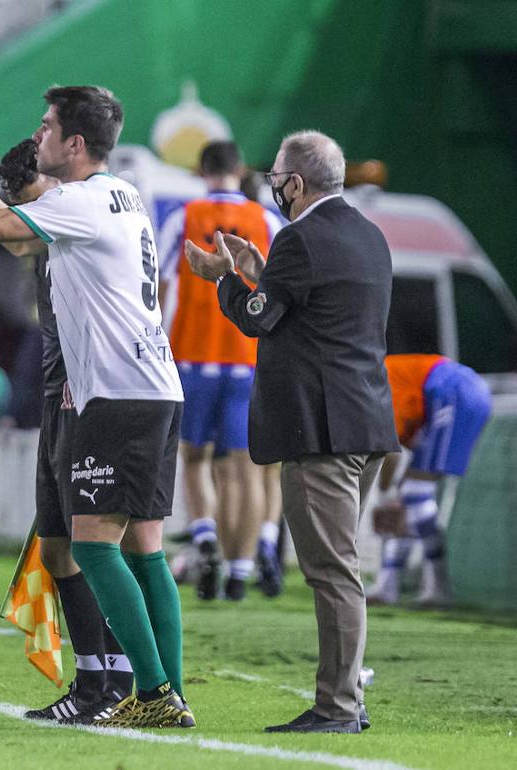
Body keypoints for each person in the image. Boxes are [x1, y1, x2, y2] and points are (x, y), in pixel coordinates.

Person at [0, 88, 192, 729]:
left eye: (47, 127)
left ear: (74, 143)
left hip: (117, 391)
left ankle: (151, 693)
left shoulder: (81, 200)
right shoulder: (118, 195)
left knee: (95, 547)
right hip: (155, 387)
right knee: (145, 550)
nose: (37, 137)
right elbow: (18, 242)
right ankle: (169, 693)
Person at [185, 130, 400, 733]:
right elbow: (309, 312)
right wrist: (259, 269)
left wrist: (224, 278)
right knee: (341, 566)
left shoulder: (300, 238)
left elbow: (258, 319)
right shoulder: (368, 234)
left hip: (321, 429)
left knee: (332, 573)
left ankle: (339, 707)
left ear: (295, 183)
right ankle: (346, 697)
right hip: (367, 422)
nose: (273, 185)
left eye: (278, 176)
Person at [0, 137, 134, 722]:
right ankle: (99, 680)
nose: (22, 214)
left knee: (98, 547)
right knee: (61, 547)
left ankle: (119, 681)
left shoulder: (75, 221)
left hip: (86, 395)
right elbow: (4, 230)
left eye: (23, 197)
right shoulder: (55, 230)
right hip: (59, 394)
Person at [156, 140, 284, 601]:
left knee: (194, 457)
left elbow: (161, 287)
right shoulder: (266, 219)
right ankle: (240, 568)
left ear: (201, 170)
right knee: (244, 469)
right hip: (248, 358)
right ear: (239, 169)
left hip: (193, 355)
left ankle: (206, 536)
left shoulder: (182, 216)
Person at [368, 354, 492, 607]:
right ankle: (391, 583)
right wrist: (391, 497)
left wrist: (385, 498)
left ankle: (435, 586)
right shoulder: (377, 376)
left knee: (413, 491)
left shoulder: (373, 382)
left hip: (453, 389)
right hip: (455, 391)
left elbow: (388, 448)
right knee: (409, 494)